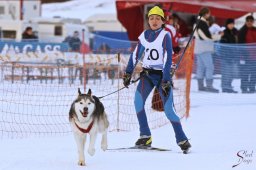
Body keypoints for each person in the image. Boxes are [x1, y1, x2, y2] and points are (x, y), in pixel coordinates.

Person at [122, 6, 191, 153]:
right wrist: (128, 73)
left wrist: (166, 79)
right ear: (148, 20)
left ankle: (182, 139)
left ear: (162, 21)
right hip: (147, 75)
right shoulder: (144, 35)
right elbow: (135, 55)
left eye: (157, 18)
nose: (154, 21)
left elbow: (167, 58)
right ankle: (145, 135)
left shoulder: (165, 35)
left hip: (161, 76)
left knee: (168, 110)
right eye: (151, 18)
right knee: (138, 102)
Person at [194, 7, 219, 93]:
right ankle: (209, 86)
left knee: (200, 67)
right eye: (209, 13)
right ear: (206, 14)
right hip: (204, 48)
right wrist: (218, 36)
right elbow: (207, 36)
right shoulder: (202, 23)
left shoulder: (197, 22)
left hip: (198, 48)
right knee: (210, 66)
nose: (209, 15)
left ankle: (200, 86)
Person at [238, 15, 256, 93]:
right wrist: (242, 56)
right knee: (245, 72)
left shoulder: (255, 30)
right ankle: (244, 88)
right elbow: (240, 44)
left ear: (253, 22)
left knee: (254, 73)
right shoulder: (242, 31)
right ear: (245, 21)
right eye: (248, 21)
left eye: (251, 21)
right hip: (245, 55)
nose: (249, 22)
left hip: (254, 55)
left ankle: (252, 87)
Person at [220, 18, 238, 93]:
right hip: (226, 56)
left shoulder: (235, 32)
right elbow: (222, 44)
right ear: (227, 25)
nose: (231, 25)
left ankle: (229, 85)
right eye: (230, 24)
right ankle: (225, 87)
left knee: (232, 73)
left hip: (233, 56)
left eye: (232, 24)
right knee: (226, 72)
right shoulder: (224, 33)